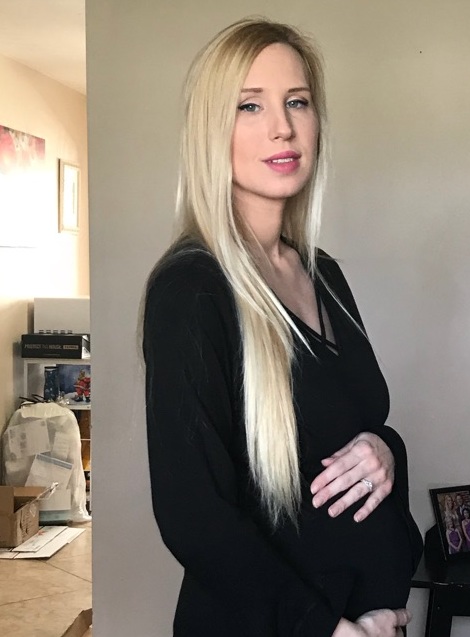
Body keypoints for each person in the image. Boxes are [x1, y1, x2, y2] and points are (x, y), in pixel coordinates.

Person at [143, 17, 422, 637]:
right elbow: (194, 515)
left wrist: (386, 450)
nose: (282, 127)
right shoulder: (192, 290)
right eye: (250, 105)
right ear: (211, 130)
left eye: (297, 101)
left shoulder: (324, 274)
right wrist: (327, 628)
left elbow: (343, 432)